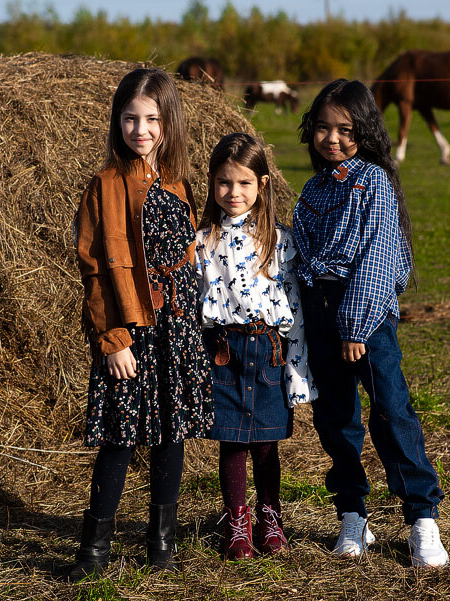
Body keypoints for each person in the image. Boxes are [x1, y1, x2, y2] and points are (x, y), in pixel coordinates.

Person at [293, 79, 449, 568]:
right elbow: (301, 252)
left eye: (345, 129)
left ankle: (422, 518)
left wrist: (355, 327)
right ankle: (352, 514)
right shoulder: (314, 188)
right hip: (320, 312)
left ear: (364, 131)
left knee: (390, 412)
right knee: (336, 417)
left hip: (363, 317)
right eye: (322, 128)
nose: (332, 138)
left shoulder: (374, 181)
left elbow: (378, 258)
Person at [70, 67, 213, 581]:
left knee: (171, 433)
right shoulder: (104, 185)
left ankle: (162, 545)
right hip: (131, 330)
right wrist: (111, 339)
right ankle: (94, 551)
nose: (141, 130)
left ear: (168, 122)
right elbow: (93, 269)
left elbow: (190, 255)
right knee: (120, 437)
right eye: (130, 119)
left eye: (152, 118)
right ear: (117, 122)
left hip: (177, 329)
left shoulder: (179, 183)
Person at [195, 133, 317, 559]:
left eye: (244, 183)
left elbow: (296, 308)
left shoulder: (280, 242)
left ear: (262, 184)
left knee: (266, 444)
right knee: (232, 442)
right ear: (212, 184)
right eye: (225, 183)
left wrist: (298, 376)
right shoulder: (201, 242)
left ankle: (270, 517)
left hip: (269, 352)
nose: (234, 193)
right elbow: (193, 308)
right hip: (223, 354)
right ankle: (237, 524)